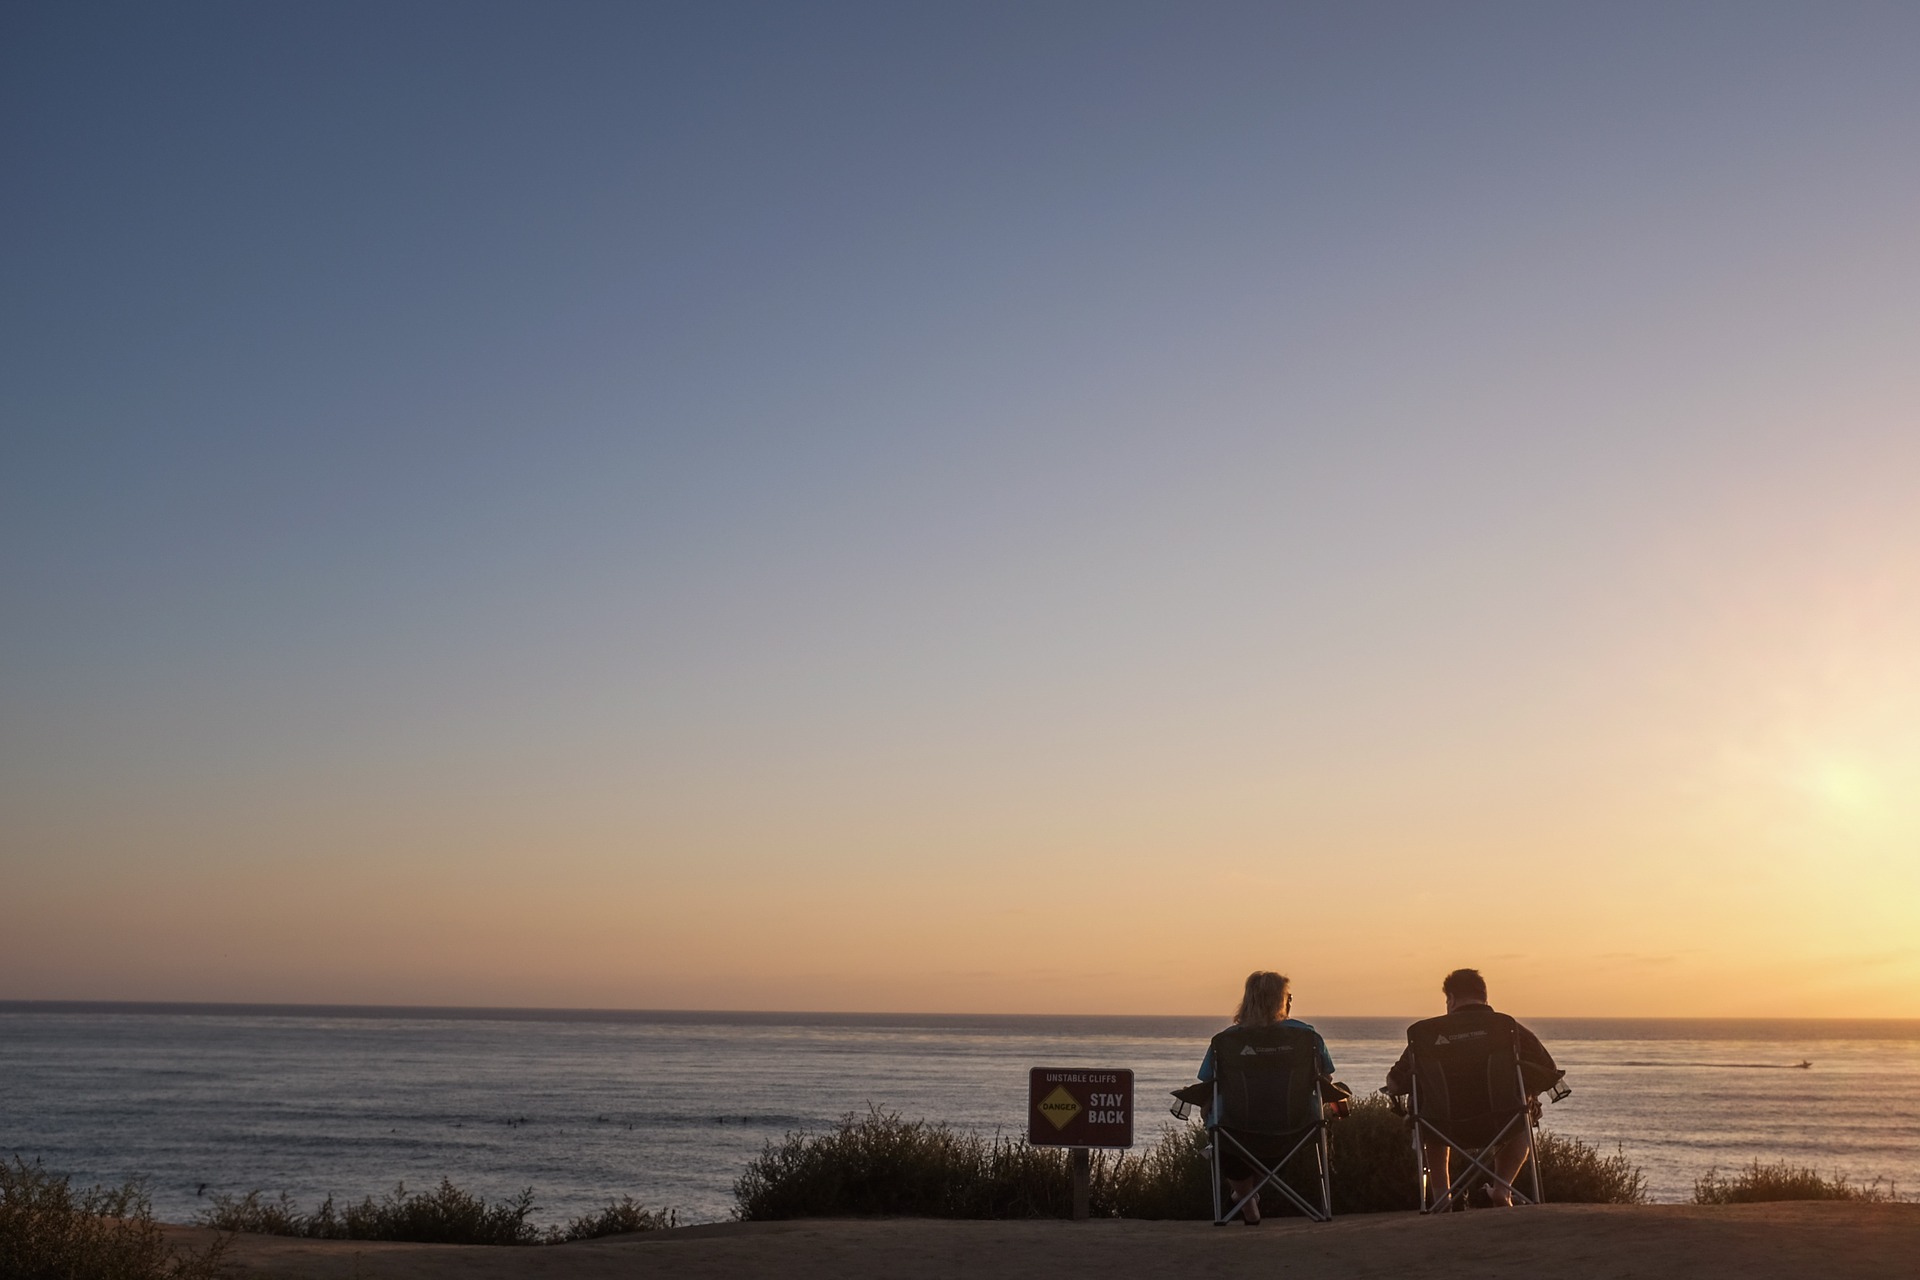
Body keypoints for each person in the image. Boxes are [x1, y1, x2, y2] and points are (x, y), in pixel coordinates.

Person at [1384, 968, 1562, 1208]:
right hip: (1501, 1122)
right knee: (1522, 1108)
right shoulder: (1508, 1028)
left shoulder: (1426, 1034)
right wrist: (1528, 1092)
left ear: (1451, 999)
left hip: (1443, 1125)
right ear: (1485, 998)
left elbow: (1394, 1083)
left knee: (1428, 1114)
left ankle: (1441, 1196)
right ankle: (1502, 1189)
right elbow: (1548, 1070)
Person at [1196, 971, 1336, 1224]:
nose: (1291, 1001)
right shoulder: (1307, 1037)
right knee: (1272, 1142)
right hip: (1295, 1126)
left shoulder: (1226, 1041)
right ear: (1280, 1001)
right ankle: (1247, 1199)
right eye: (1288, 996)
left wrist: (1206, 1106)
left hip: (1236, 1127)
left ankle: (1246, 1200)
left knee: (1222, 1131)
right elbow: (1325, 1078)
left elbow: (1209, 1081)